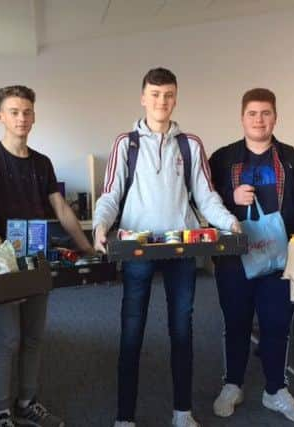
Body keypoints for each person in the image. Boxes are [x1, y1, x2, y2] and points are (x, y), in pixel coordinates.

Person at [93, 67, 241, 427]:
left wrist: (228, 222)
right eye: (155, 95)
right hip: (137, 248)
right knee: (132, 331)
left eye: (169, 95)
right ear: (143, 97)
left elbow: (206, 196)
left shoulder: (190, 144)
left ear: (176, 98)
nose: (162, 101)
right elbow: (111, 192)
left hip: (181, 249)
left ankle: (182, 412)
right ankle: (125, 417)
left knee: (182, 329)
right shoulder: (124, 144)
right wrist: (101, 224)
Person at [0, 85, 93, 427]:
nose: (21, 118)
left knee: (34, 336)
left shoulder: (42, 163)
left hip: (37, 262)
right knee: (7, 338)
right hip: (3, 265)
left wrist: (86, 246)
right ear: (0, 116)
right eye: (14, 112)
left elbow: (61, 210)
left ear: (34, 116)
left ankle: (26, 402)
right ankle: (2, 412)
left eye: (26, 111)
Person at [208, 88, 294, 424]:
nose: (259, 120)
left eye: (266, 113)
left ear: (275, 116)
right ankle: (232, 385)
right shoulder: (222, 158)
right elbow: (203, 198)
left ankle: (276, 390)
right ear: (242, 118)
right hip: (233, 260)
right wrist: (231, 195)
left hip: (279, 261)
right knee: (236, 323)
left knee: (276, 324)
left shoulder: (293, 159)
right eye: (253, 114)